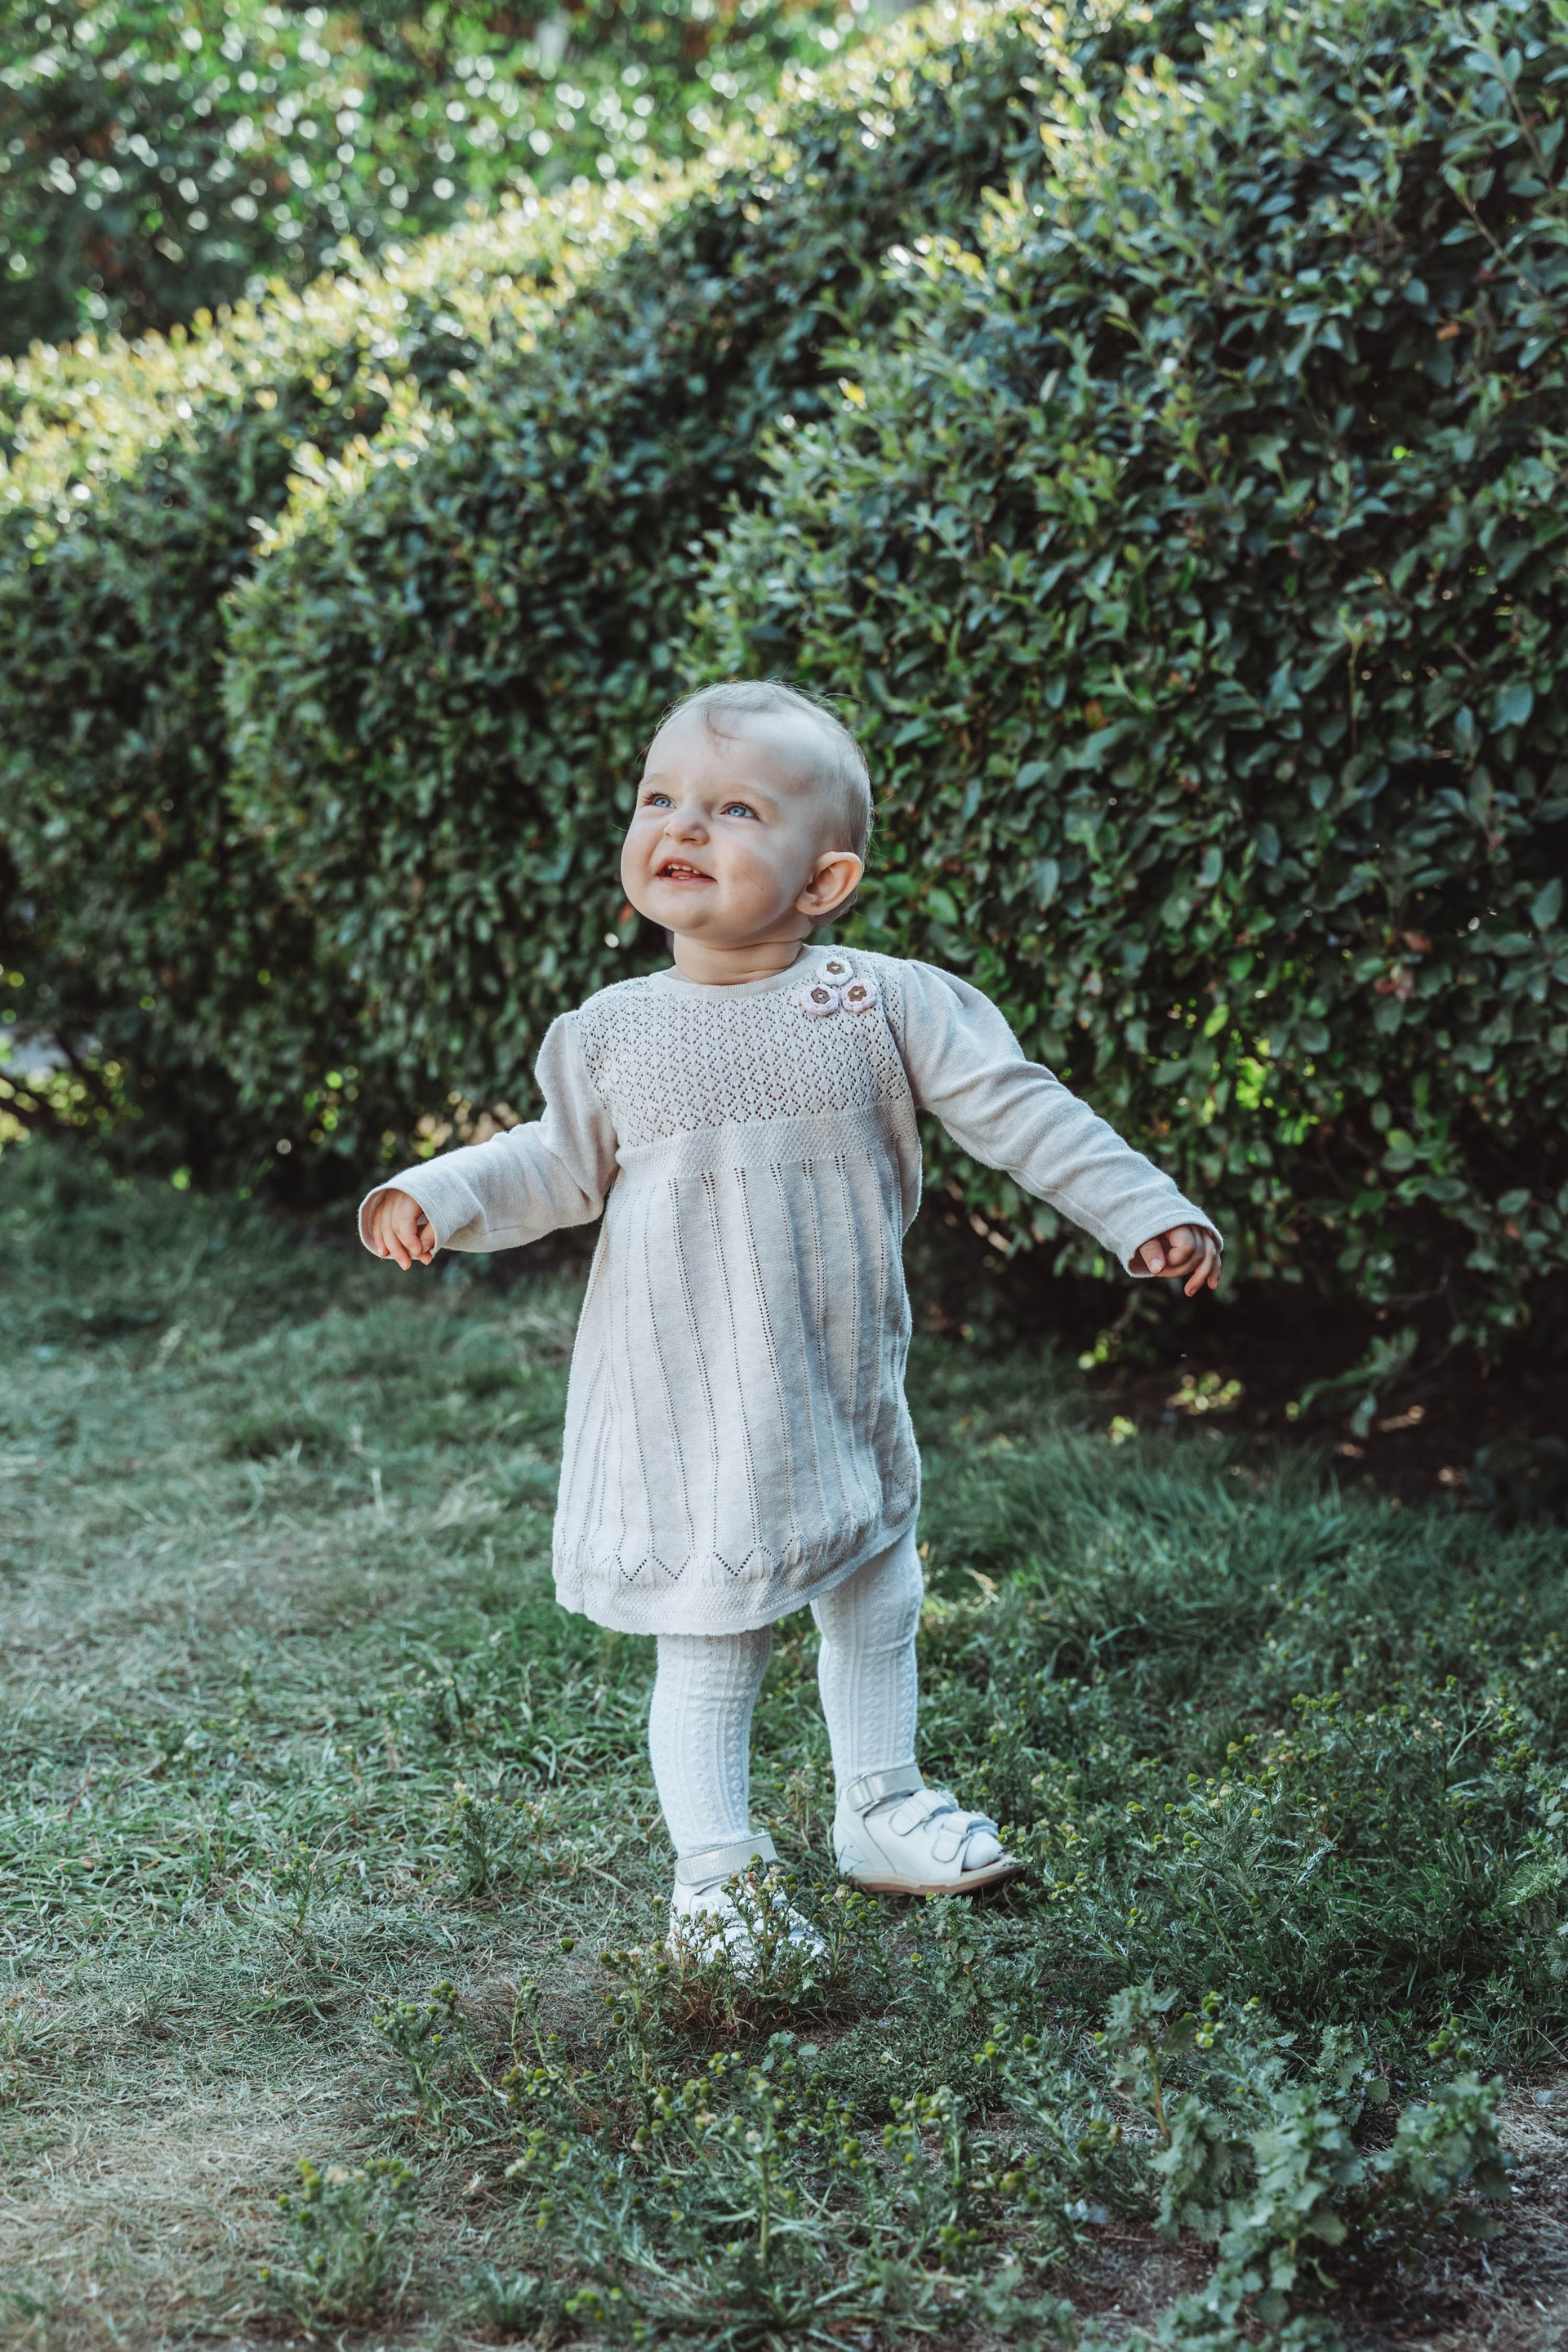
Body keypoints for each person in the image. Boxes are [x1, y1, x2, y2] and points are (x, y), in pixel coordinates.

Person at [361, 681, 1221, 1953]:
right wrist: (442, 1191)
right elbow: (553, 1164)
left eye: (735, 810)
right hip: (690, 1401)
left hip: (837, 1379)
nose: (682, 827)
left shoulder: (882, 1003)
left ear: (825, 882)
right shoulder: (615, 1032)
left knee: (878, 1593)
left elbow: (1021, 1108)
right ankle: (717, 1879)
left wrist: (1140, 1207)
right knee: (718, 1638)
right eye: (661, 799)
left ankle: (880, 1807)